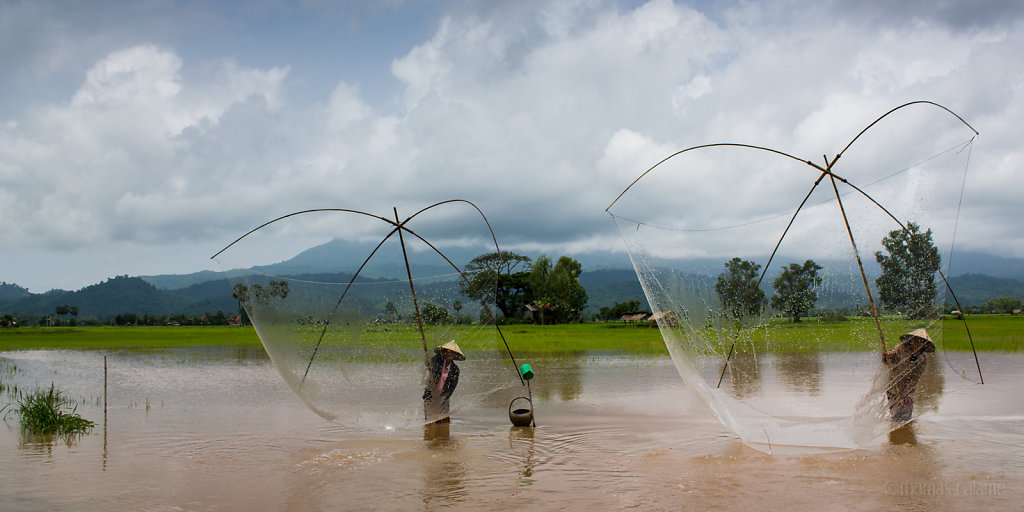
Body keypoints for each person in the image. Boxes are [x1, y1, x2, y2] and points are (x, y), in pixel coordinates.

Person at [882, 328, 936, 423]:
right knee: (895, 415)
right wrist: (887, 356)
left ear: (924, 344)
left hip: (909, 388)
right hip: (894, 385)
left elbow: (914, 379)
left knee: (906, 415)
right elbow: (889, 359)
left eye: (921, 341)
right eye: (915, 339)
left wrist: (905, 396)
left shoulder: (922, 359)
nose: (917, 343)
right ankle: (895, 433)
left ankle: (906, 431)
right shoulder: (901, 348)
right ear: (911, 340)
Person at [423, 341, 465, 423]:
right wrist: (428, 362)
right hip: (430, 395)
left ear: (454, 355)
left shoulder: (455, 369)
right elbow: (428, 363)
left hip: (443, 397)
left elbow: (452, 387)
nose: (448, 354)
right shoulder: (437, 361)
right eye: (447, 352)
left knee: (444, 422)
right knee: (430, 421)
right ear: (443, 352)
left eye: (451, 353)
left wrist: (443, 398)